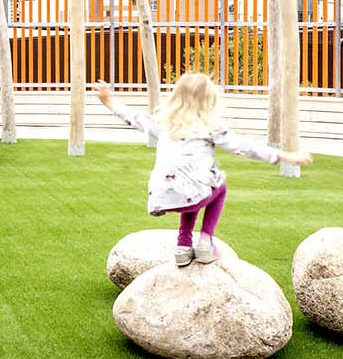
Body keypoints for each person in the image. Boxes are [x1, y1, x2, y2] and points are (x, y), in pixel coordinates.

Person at [93, 73, 313, 267]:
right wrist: (286, 156)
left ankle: (183, 246)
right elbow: (245, 147)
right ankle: (206, 242)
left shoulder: (164, 124)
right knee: (219, 186)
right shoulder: (210, 128)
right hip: (191, 193)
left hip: (161, 197)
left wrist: (108, 100)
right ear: (209, 101)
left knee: (193, 188)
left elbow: (134, 118)